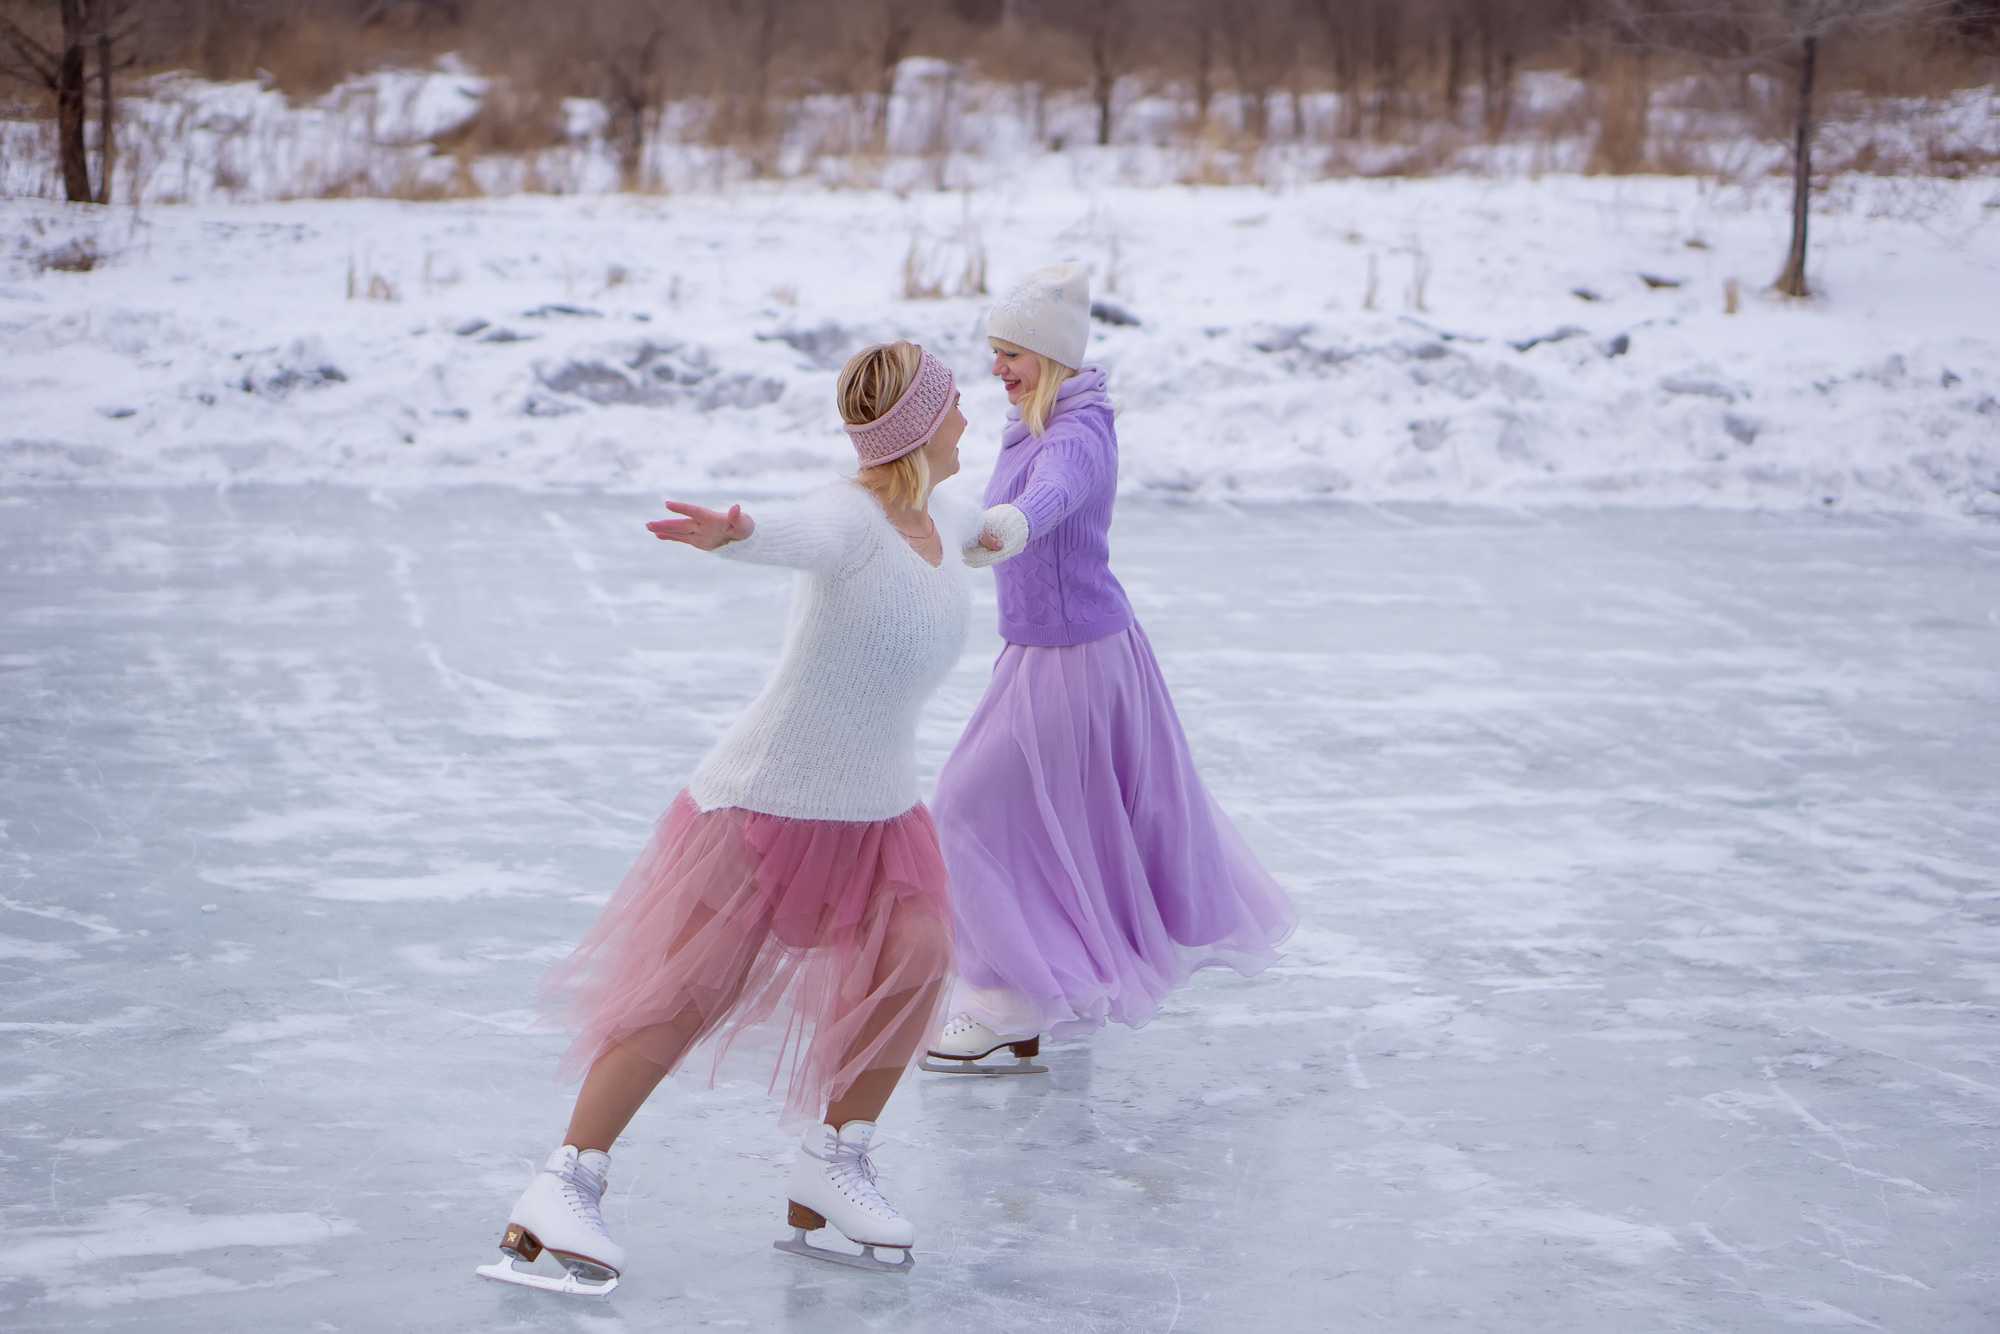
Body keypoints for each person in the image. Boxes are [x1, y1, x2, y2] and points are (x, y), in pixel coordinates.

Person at [479, 341, 986, 1294]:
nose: (969, 417)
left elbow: (1002, 527)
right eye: (955, 404)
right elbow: (792, 532)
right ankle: (562, 1183)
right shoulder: (849, 518)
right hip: (767, 800)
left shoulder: (946, 516)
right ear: (920, 427)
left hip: (877, 812)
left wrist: (1059, 466)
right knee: (685, 994)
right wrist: (737, 534)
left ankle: (835, 1163)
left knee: (918, 961)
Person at [924, 263, 1298, 1075]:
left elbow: (1053, 496)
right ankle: (1024, 994)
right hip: (1038, 652)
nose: (997, 368)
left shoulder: (1078, 431)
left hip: (1077, 659)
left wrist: (1011, 525)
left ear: (1049, 353)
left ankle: (1007, 995)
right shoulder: (1030, 422)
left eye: (1010, 352)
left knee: (966, 804)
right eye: (993, 352)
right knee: (1031, 821)